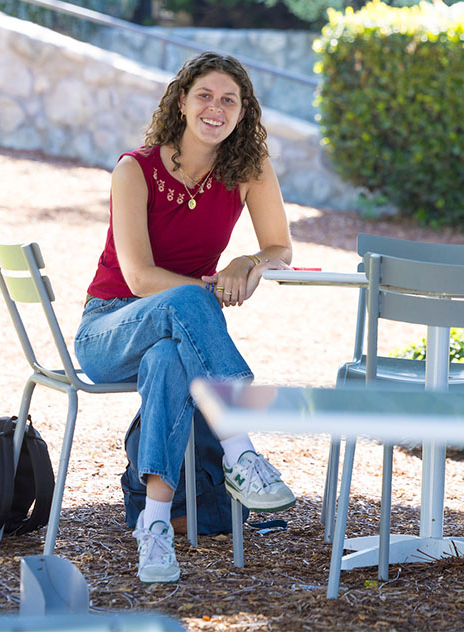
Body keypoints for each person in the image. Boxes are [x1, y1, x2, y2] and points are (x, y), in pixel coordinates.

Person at [74, 52, 296, 584]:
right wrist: (205, 289)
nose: (215, 108)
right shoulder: (135, 169)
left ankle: (153, 527)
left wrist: (248, 261)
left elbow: (279, 247)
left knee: (171, 362)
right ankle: (239, 446)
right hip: (109, 328)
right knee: (191, 302)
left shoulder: (247, 170)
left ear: (243, 113)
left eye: (229, 100)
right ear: (181, 101)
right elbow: (140, 278)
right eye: (204, 95)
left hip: (171, 337)